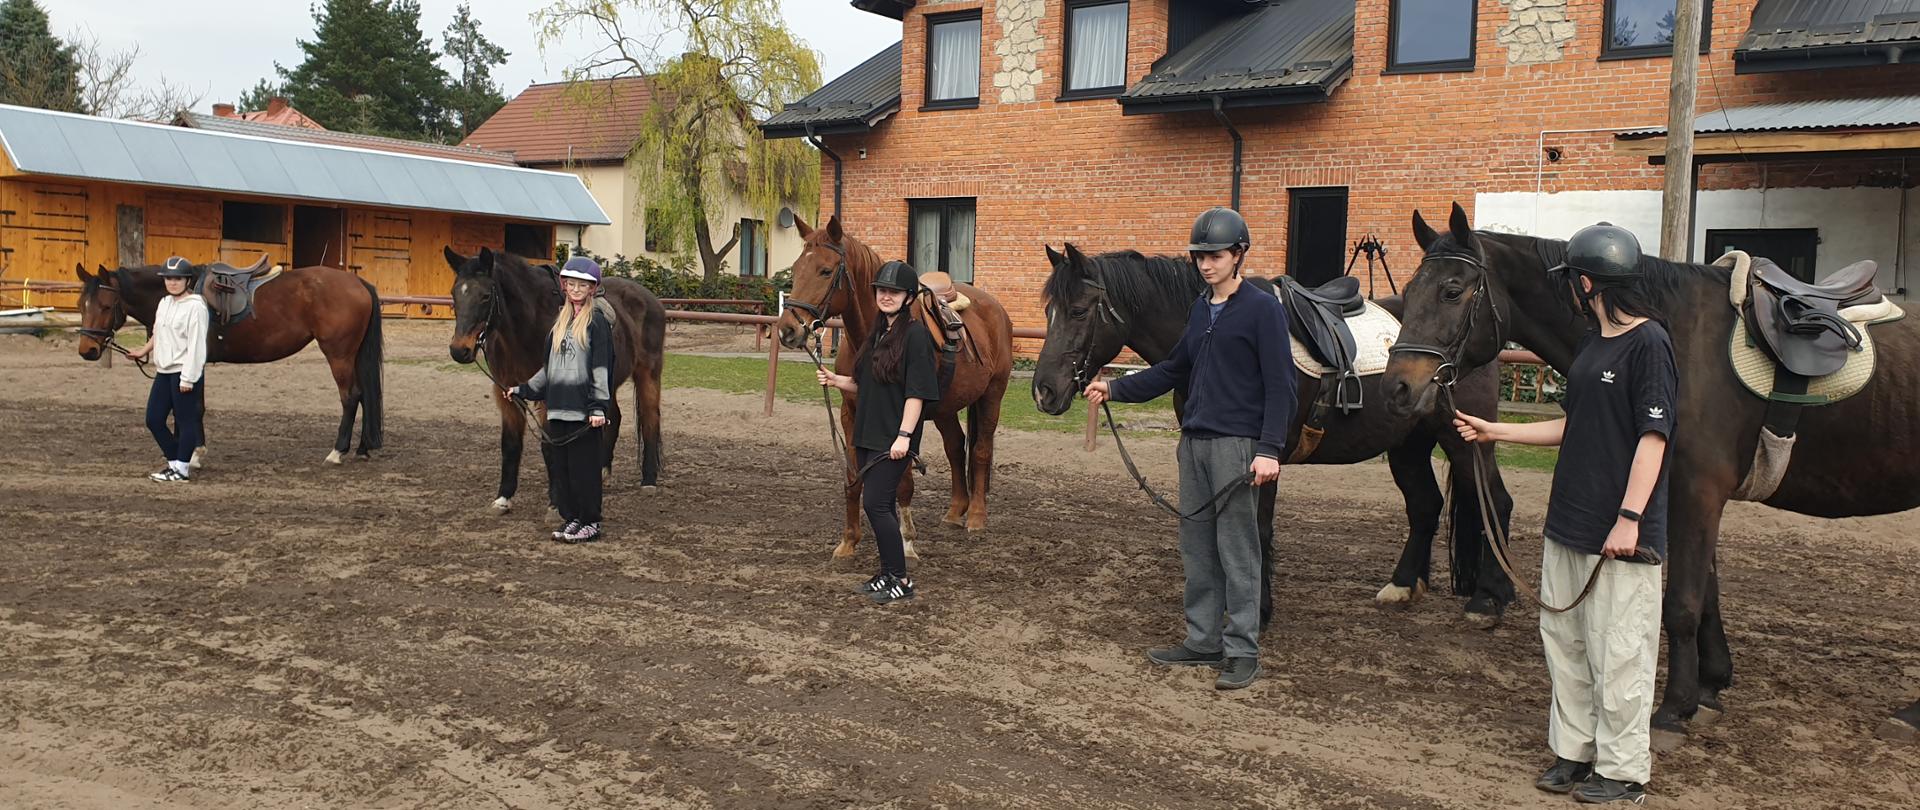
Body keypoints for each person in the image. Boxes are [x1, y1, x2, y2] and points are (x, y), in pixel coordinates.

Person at [1453, 223, 1675, 805]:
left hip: (1618, 529)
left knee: (1620, 649)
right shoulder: (1590, 345)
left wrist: (1629, 519)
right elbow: (1576, 425)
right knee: (1566, 642)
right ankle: (1575, 752)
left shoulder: (1649, 343)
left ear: (1585, 282)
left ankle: (1625, 771)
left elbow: (1654, 438)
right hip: (1569, 520)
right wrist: (1492, 428)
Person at [1083, 207, 1295, 690]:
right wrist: (1116, 390)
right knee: (1197, 547)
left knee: (1238, 550)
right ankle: (1203, 641)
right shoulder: (1201, 308)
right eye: (1200, 257)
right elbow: (1174, 369)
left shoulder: (1263, 309)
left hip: (1238, 447)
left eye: (1215, 256)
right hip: (1194, 443)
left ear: (1238, 254)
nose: (1206, 264)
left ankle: (1242, 649)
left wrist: (1269, 449)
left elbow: (1281, 386)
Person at [816, 260, 941, 604]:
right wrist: (835, 380)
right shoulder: (877, 333)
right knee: (879, 504)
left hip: (894, 436)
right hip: (869, 433)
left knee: (874, 503)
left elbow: (916, 393)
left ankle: (901, 578)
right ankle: (886, 573)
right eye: (882, 290)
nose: (886, 296)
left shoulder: (915, 335)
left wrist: (904, 436)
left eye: (894, 291)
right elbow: (865, 385)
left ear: (907, 296)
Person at [510, 256, 615, 544]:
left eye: (583, 284)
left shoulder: (596, 323)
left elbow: (601, 368)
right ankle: (573, 518)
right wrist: (524, 389)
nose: (577, 289)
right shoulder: (559, 325)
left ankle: (590, 521)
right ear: (564, 286)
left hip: (583, 413)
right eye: (572, 283)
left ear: (592, 288)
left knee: (584, 471)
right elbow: (549, 368)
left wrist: (598, 406)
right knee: (564, 470)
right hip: (557, 411)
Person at [127, 256, 208, 483]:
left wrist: (188, 378)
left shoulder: (196, 307)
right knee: (153, 419)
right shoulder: (164, 303)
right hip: (164, 371)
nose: (172, 282)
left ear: (187, 280)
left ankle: (181, 470)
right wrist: (144, 350)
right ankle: (175, 463)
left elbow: (196, 345)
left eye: (177, 278)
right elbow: (158, 331)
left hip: (184, 372)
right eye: (169, 278)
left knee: (185, 421)